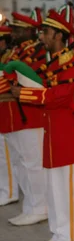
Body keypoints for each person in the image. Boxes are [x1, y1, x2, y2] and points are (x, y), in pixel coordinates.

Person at [12, 5, 74, 241]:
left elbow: (63, 93)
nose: (42, 37)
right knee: (54, 189)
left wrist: (28, 95)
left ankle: (69, 239)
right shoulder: (55, 63)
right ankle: (59, 235)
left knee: (67, 192)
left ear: (59, 34)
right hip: (53, 135)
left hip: (69, 135)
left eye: (47, 32)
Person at [2, 10, 48, 226]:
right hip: (15, 116)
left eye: (19, 29)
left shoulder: (39, 52)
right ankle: (30, 206)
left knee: (33, 164)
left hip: (30, 116)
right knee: (21, 164)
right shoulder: (16, 52)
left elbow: (24, 81)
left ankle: (40, 207)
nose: (15, 32)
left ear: (30, 30)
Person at [0, 26, 19, 207]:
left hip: (9, 113)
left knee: (6, 156)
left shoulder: (11, 57)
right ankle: (5, 189)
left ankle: (10, 191)